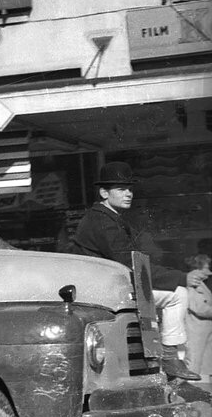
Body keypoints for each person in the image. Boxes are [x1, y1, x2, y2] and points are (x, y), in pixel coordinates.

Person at [70, 162, 205, 381]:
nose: (128, 194)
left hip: (108, 286)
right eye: (121, 189)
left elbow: (138, 260)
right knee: (178, 295)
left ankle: (167, 359)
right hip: (105, 291)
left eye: (130, 189)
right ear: (104, 192)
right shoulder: (104, 221)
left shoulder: (108, 217)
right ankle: (170, 357)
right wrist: (181, 277)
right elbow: (131, 263)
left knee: (173, 293)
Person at [184, 253, 212, 378]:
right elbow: (199, 308)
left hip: (204, 331)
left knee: (204, 365)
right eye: (206, 268)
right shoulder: (194, 285)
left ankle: (202, 387)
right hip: (196, 331)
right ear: (197, 269)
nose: (209, 272)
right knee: (194, 362)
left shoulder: (201, 284)